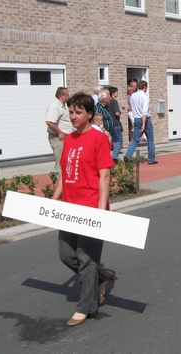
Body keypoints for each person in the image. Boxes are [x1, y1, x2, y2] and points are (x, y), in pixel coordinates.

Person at [51, 92, 115, 327]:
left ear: (90, 114)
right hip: (70, 207)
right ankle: (101, 277)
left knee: (86, 259)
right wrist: (53, 201)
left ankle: (85, 307)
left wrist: (100, 211)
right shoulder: (68, 139)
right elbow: (64, 175)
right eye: (71, 111)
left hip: (90, 207)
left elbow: (104, 176)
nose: (73, 116)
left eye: (79, 112)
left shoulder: (98, 139)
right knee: (66, 254)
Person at [124, 80, 157, 164]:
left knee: (135, 139)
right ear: (145, 87)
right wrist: (144, 124)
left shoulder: (133, 96)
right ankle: (151, 159)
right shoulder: (145, 97)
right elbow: (144, 112)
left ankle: (128, 155)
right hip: (144, 119)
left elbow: (132, 106)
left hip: (136, 118)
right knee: (150, 140)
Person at [46, 87, 74, 173]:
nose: (69, 97)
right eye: (67, 95)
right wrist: (60, 132)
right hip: (59, 138)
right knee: (61, 163)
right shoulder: (54, 106)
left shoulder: (62, 106)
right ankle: (58, 184)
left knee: (66, 162)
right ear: (62, 96)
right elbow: (49, 122)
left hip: (66, 138)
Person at [108, 87, 123, 162]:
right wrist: (120, 112)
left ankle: (113, 154)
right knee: (119, 139)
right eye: (117, 92)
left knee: (113, 139)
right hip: (115, 123)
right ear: (113, 93)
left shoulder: (107, 102)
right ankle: (115, 156)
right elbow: (117, 113)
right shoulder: (114, 102)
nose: (118, 94)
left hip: (109, 123)